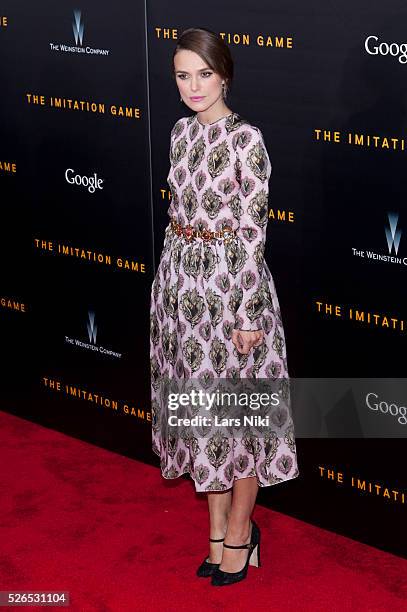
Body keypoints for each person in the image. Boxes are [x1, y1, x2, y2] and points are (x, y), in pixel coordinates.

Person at [150, 27, 299, 586]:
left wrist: (246, 317)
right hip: (181, 297)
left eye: (203, 74)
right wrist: (167, 297)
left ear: (225, 75)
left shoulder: (246, 140)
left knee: (239, 424)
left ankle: (241, 535)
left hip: (232, 297)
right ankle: (214, 537)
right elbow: (178, 219)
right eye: (182, 75)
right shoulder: (179, 133)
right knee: (200, 420)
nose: (193, 86)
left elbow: (252, 234)